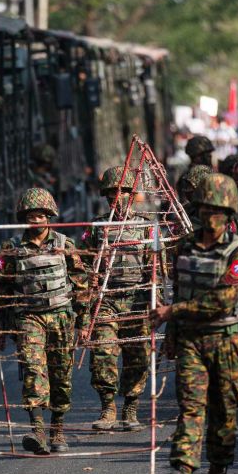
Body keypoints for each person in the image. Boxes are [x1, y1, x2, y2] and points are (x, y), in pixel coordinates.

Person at [153, 173, 238, 474]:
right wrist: (173, 333)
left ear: (229, 212)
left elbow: (222, 300)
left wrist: (173, 311)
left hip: (226, 341)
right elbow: (179, 289)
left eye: (218, 209)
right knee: (191, 408)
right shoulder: (185, 247)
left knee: (224, 412)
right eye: (206, 208)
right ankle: (183, 469)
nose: (211, 215)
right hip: (192, 342)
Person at [0, 188, 88, 454]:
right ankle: (37, 429)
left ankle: (57, 428)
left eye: (40, 216)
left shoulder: (65, 244)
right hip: (29, 318)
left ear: (49, 216)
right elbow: (2, 289)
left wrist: (83, 324)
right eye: (30, 217)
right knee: (34, 370)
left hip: (61, 317)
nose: (35, 222)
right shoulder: (12, 248)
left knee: (61, 375)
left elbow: (81, 285)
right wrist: (0, 328)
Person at [80, 167, 155, 432]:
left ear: (131, 194)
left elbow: (157, 266)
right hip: (107, 300)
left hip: (136, 300)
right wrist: (87, 295)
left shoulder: (147, 226)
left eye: (122, 192)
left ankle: (131, 407)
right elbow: (86, 265)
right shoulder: (98, 227)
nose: (117, 197)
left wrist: (155, 302)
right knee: (103, 354)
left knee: (137, 357)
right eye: (112, 193)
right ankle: (108, 407)